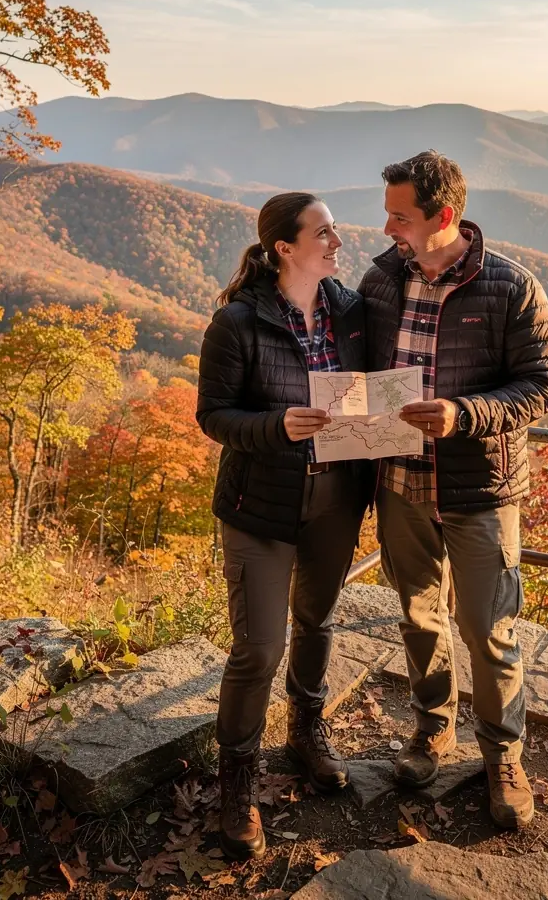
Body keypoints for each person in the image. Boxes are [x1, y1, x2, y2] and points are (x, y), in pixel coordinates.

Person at [358, 150, 548, 829]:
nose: (388, 229)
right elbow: (357, 369)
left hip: (481, 489)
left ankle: (503, 756)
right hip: (399, 483)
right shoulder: (383, 281)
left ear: (443, 217)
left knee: (488, 630)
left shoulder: (511, 288)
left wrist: (463, 415)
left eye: (400, 217)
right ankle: (432, 728)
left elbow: (542, 387)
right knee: (418, 617)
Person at [196, 192, 368, 861]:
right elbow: (213, 416)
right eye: (324, 233)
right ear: (285, 249)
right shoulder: (237, 323)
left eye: (336, 231)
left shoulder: (351, 312)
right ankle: (236, 786)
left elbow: (374, 387)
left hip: (336, 498)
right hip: (260, 507)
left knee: (319, 622)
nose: (337, 242)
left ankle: (305, 733)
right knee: (259, 648)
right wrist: (276, 426)